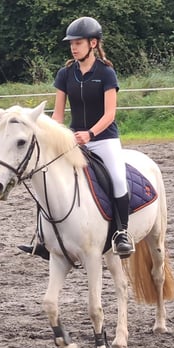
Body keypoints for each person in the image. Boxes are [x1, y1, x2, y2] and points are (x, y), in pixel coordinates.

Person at [19, 16, 135, 260]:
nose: (73, 47)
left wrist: (91, 133)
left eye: (78, 42)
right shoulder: (65, 73)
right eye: (71, 43)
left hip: (103, 139)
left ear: (93, 43)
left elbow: (110, 113)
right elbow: (58, 114)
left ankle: (121, 234)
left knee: (117, 178)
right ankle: (43, 237)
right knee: (48, 177)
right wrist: (49, 135)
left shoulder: (106, 73)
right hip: (73, 139)